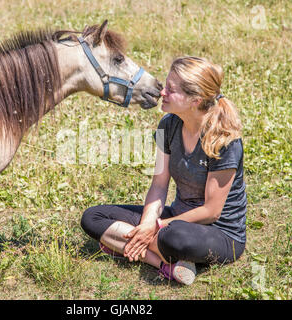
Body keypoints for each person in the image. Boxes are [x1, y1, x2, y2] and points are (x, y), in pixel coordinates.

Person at [81, 56, 247, 285]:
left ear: (195, 100)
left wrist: (158, 227)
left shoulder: (225, 141)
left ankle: (126, 243)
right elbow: (159, 183)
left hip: (218, 233)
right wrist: (149, 223)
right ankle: (163, 263)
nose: (162, 93)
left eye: (171, 89)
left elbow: (211, 211)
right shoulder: (167, 125)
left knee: (174, 236)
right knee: (93, 217)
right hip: (175, 218)